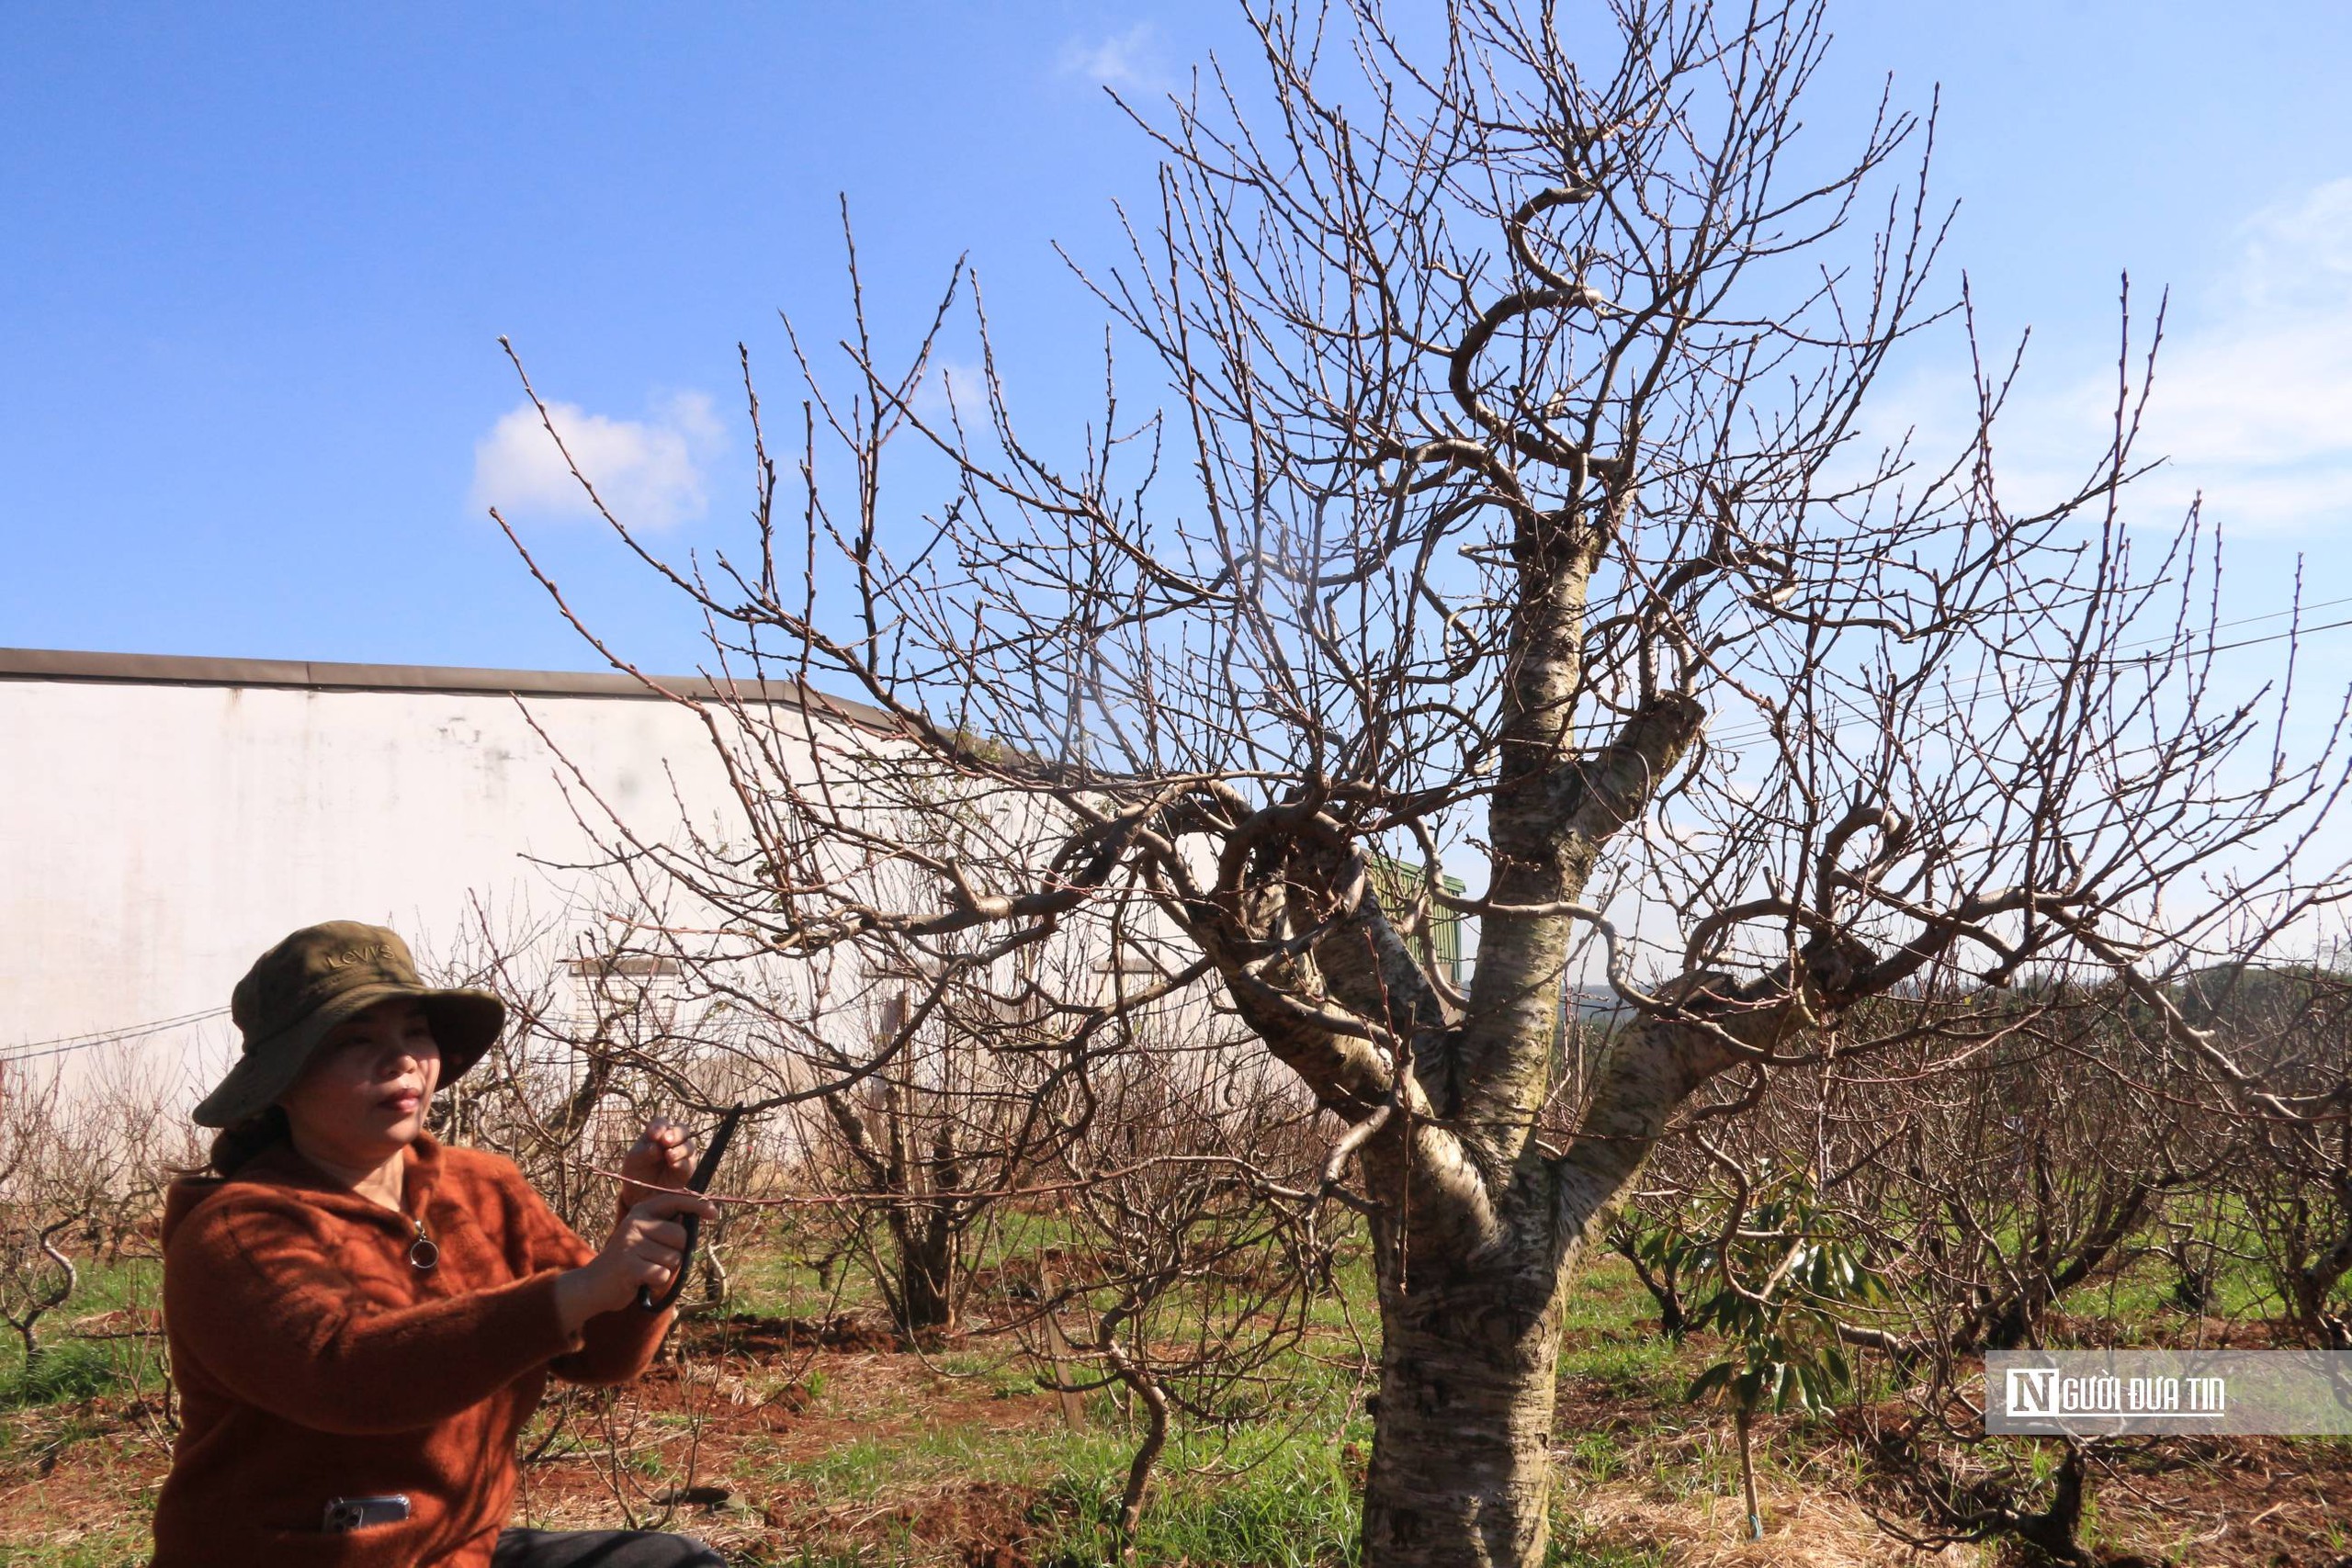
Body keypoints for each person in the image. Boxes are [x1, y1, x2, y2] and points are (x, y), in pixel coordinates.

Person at [150, 920, 727, 1567]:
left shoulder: (484, 1187)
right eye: (355, 1040)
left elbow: (602, 1356)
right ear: (283, 1080)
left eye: (414, 1032)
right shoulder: (236, 1231)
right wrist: (573, 1293)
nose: (400, 1059)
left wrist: (645, 1231)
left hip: (456, 1552)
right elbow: (348, 1372)